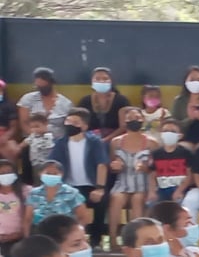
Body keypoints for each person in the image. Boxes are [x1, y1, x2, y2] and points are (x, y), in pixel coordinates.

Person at [49, 108, 113, 245]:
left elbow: (101, 164)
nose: (69, 124)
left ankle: (96, 240)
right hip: (68, 186)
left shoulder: (94, 142)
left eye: (75, 122)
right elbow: (53, 165)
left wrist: (99, 188)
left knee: (101, 203)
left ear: (84, 126)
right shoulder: (60, 143)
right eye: (68, 121)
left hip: (91, 186)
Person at [106, 106, 155, 243]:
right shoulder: (116, 142)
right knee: (116, 198)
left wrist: (145, 168)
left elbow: (155, 168)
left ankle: (135, 241)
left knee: (137, 200)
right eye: (130, 118)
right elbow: (112, 165)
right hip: (122, 182)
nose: (134, 120)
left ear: (143, 120)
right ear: (124, 121)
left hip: (142, 183)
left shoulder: (152, 143)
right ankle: (113, 239)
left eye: (137, 117)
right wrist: (115, 166)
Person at [18, 68, 74, 138]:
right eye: (38, 87)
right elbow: (24, 123)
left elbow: (70, 126)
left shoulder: (66, 103)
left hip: (57, 141)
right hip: (33, 140)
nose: (40, 89)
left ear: (51, 83)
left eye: (43, 86)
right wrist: (36, 138)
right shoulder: (28, 99)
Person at [78, 67, 132, 137]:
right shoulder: (85, 101)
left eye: (105, 79)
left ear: (111, 82)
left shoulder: (122, 101)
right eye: (97, 79)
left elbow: (124, 127)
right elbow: (79, 125)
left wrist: (107, 139)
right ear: (92, 82)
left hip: (116, 139)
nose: (101, 81)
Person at [150, 117, 192, 202]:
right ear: (161, 134)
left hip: (180, 189)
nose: (168, 133)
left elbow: (190, 175)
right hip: (161, 189)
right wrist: (152, 191)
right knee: (151, 204)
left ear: (180, 136)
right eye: (165, 131)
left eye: (173, 131)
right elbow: (152, 175)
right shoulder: (156, 154)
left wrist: (179, 191)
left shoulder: (186, 153)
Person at [0, 160, 26, 253]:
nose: (6, 175)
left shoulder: (26, 191)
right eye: (2, 173)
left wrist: (20, 234)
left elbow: (30, 216)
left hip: (21, 239)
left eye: (9, 172)